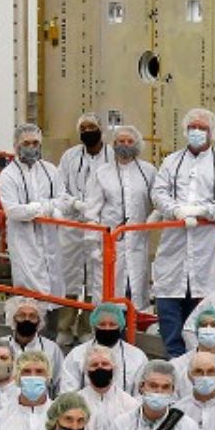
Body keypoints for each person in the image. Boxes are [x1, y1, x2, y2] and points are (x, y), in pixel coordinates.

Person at [150, 107, 215, 355]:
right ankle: (174, 359)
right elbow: (158, 193)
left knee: (202, 310)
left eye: (202, 128)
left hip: (205, 248)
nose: (197, 132)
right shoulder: (172, 161)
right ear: (185, 130)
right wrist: (176, 211)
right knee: (169, 303)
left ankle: (200, 360)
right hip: (173, 245)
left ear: (212, 132)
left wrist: (200, 211)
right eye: (193, 127)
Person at [82, 122, 157, 306]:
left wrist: (154, 217)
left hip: (137, 243)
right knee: (109, 295)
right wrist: (93, 246)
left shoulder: (148, 171)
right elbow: (92, 212)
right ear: (113, 144)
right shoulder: (102, 173)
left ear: (137, 144)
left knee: (135, 291)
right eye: (121, 141)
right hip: (109, 245)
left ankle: (134, 322)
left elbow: (160, 200)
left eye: (130, 141)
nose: (125, 145)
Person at [56, 112, 113, 336]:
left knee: (96, 277)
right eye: (83, 129)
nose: (88, 132)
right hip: (73, 224)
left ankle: (88, 327)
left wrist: (95, 210)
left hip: (99, 225)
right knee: (69, 275)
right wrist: (77, 204)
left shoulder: (112, 156)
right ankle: (64, 327)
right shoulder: (69, 157)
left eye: (92, 128)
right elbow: (59, 189)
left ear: (101, 129)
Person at [0, 122, 66, 315]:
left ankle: (51, 329)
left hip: (50, 239)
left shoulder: (50, 170)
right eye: (26, 143)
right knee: (30, 296)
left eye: (35, 143)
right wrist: (42, 208)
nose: (31, 147)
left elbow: (62, 198)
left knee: (54, 291)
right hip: (24, 241)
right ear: (16, 146)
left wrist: (42, 209)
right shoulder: (8, 176)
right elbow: (13, 210)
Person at [61, 302, 150, 394]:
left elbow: (141, 394)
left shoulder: (138, 357)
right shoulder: (76, 355)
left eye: (112, 324)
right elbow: (68, 392)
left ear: (120, 327)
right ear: (94, 327)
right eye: (102, 324)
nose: (107, 329)